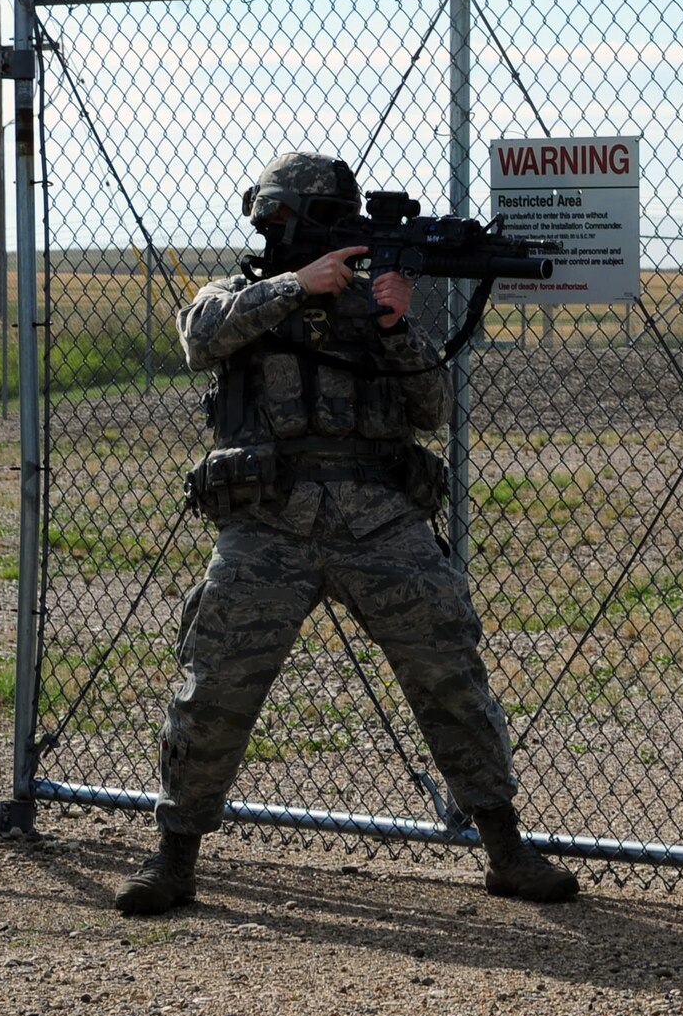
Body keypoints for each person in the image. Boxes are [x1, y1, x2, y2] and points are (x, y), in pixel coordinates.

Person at [115, 152, 578, 914]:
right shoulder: (241, 295)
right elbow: (198, 337)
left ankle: (505, 849)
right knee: (213, 689)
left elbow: (431, 406)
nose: (278, 227)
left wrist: (395, 322)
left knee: (450, 677)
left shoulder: (377, 301)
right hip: (268, 522)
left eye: (293, 218)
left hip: (380, 520)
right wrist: (300, 284)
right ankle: (174, 859)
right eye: (274, 216)